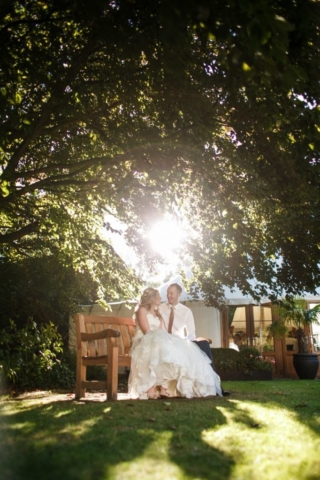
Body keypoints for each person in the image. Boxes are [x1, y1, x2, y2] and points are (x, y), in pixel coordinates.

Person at [128, 287, 223, 399]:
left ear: (179, 294)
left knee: (172, 351)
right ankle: (150, 388)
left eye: (171, 293)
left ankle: (164, 388)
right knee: (162, 349)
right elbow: (147, 331)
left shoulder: (162, 311)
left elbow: (167, 331)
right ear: (153, 298)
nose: (165, 297)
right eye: (161, 295)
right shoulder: (145, 309)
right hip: (145, 339)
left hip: (158, 339)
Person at [158, 282, 231, 396]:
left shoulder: (186, 311)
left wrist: (186, 342)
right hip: (165, 341)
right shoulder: (160, 308)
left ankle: (216, 387)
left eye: (171, 293)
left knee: (204, 345)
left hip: (180, 342)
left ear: (179, 294)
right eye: (168, 293)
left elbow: (191, 333)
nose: (169, 296)